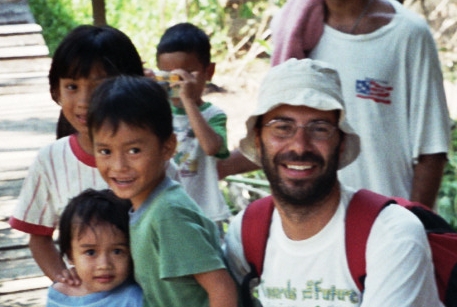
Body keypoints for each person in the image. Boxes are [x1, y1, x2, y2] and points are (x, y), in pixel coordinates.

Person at [224, 58, 442, 306]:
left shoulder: (391, 236)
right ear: (258, 141)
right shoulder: (246, 232)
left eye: (319, 129)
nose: (299, 146)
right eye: (282, 127)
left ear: (341, 144)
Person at [8, 24, 178, 286]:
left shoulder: (156, 163)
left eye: (99, 86)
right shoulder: (51, 160)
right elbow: (38, 236)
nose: (85, 101)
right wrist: (67, 282)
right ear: (55, 91)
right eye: (72, 86)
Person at [272, 0, 451, 209]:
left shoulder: (406, 33)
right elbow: (277, 137)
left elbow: (431, 147)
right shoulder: (294, 30)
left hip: (388, 217)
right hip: (316, 222)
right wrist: (225, 164)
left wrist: (415, 222)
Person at [88, 75, 238, 307]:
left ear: (168, 147)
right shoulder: (145, 207)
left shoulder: (168, 213)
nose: (118, 166)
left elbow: (222, 289)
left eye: (134, 150)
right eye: (106, 151)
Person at [155, 22, 232, 225]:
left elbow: (211, 147)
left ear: (209, 72)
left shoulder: (213, 115)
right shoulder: (156, 112)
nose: (178, 84)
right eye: (169, 76)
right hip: (167, 210)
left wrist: (188, 100)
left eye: (187, 74)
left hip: (204, 212)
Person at [46, 189, 142, 307]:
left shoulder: (134, 298)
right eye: (90, 252)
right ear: (70, 255)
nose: (104, 265)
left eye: (117, 251)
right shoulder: (59, 294)